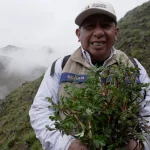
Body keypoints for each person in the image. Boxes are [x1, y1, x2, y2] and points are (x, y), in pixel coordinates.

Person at [29, 1, 150, 149]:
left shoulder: (134, 67)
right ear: (79, 34)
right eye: (90, 26)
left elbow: (147, 112)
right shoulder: (61, 67)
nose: (98, 32)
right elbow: (41, 111)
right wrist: (66, 145)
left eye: (105, 25)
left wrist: (141, 145)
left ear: (116, 33)